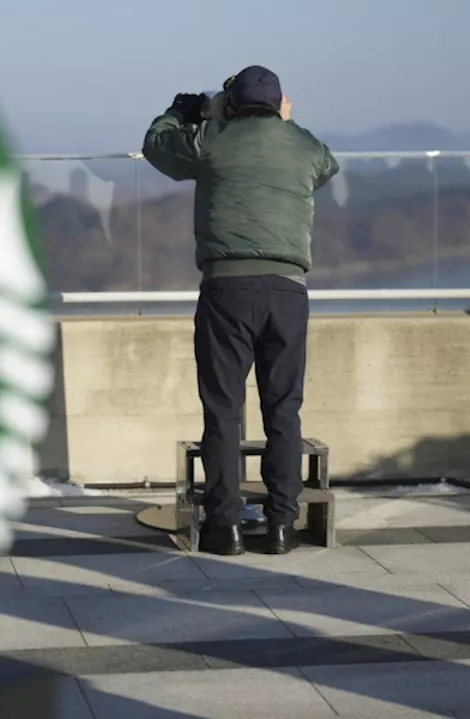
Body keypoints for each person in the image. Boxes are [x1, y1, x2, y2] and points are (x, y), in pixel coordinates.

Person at [141, 65, 339, 556]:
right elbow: (326, 165)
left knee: (223, 411)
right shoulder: (303, 145)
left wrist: (181, 112)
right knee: (283, 410)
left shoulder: (210, 138)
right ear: (278, 104)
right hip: (289, 293)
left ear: (231, 105)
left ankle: (224, 528)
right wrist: (285, 126)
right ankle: (280, 528)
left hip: (226, 290)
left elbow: (156, 146)